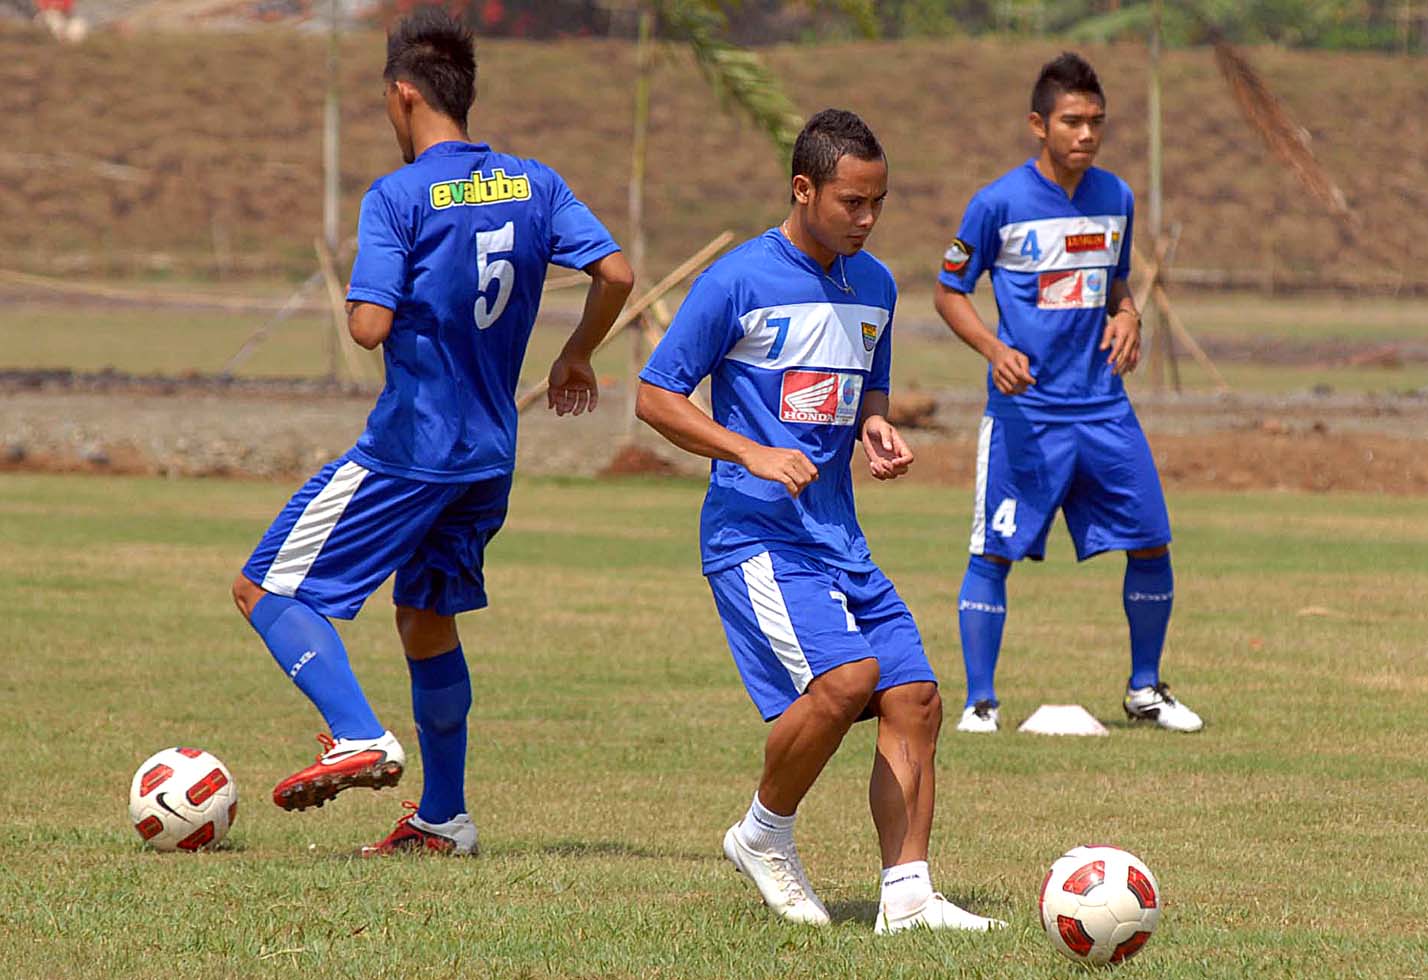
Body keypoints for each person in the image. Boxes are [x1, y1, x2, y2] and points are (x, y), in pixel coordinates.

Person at [229, 9, 633, 854]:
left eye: (385, 104)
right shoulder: (534, 183)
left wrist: (371, 287)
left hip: (412, 448)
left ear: (404, 95)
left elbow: (369, 326)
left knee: (266, 589)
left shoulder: (399, 195)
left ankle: (356, 733)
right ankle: (444, 819)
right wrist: (576, 355)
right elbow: (616, 271)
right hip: (488, 456)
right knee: (425, 618)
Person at [636, 109, 1005, 934]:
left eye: (877, 203)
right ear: (802, 189)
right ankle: (763, 835)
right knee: (844, 684)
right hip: (754, 535)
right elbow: (654, 396)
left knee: (913, 696)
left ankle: (907, 899)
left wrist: (874, 425)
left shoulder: (872, 284)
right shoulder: (736, 280)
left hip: (838, 535)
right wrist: (749, 451)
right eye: (850, 202)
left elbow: (864, 384)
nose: (866, 220)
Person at [934, 53, 1202, 735]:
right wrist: (994, 351)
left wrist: (1129, 314)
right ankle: (980, 704)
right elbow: (948, 292)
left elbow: (1112, 281)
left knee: (1151, 541)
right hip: (1027, 415)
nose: (1085, 134)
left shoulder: (1116, 197)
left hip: (1104, 409)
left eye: (1095, 122)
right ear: (1037, 124)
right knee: (992, 553)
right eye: (1071, 121)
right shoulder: (996, 203)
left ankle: (1144, 690)